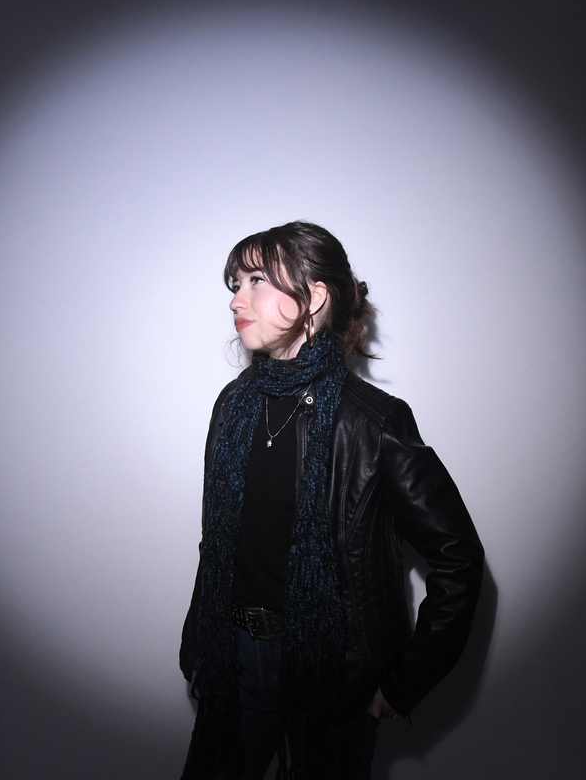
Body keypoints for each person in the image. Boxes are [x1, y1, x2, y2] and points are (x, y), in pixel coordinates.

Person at [180, 221, 484, 779]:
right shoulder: (232, 406)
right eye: (236, 283)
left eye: (256, 281)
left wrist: (403, 683)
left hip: (332, 670)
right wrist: (199, 644)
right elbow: (217, 543)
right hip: (234, 659)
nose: (236, 299)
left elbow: (458, 556)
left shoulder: (374, 422)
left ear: (314, 296)